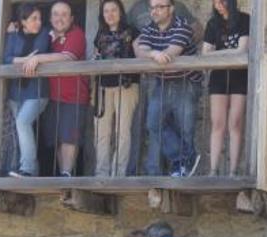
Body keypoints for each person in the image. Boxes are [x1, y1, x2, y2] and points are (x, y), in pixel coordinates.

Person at [135, 0, 203, 177]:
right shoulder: (149, 29)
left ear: (171, 9)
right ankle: (183, 159)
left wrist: (157, 54)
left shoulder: (183, 27)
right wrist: (153, 53)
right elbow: (140, 52)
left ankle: (183, 169)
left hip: (186, 82)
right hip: (163, 82)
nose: (154, 11)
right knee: (153, 123)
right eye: (152, 8)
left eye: (160, 7)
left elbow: (171, 53)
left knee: (185, 128)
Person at [22, 1, 89, 177]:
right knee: (57, 139)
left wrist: (39, 59)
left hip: (73, 96)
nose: (60, 18)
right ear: (50, 18)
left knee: (69, 138)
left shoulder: (77, 34)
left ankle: (66, 174)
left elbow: (67, 58)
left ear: (72, 18)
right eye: (56, 14)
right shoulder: (48, 37)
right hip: (52, 96)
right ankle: (63, 174)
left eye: (64, 14)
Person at [93, 0, 140, 177]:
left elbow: (140, 53)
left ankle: (118, 174)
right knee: (101, 133)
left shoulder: (132, 31)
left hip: (126, 86)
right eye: (106, 11)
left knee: (123, 132)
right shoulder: (100, 33)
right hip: (103, 87)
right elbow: (95, 55)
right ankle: (102, 174)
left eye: (114, 10)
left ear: (121, 12)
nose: (110, 14)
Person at [202, 0, 249, 177]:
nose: (218, 5)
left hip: (239, 75)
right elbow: (204, 53)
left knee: (235, 123)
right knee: (217, 123)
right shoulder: (212, 24)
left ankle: (233, 171)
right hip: (219, 76)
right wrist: (227, 53)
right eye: (215, 2)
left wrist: (216, 54)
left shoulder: (245, 19)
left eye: (221, 1)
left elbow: (242, 50)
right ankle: (213, 170)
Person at [5, 3, 51, 178]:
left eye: (39, 18)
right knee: (21, 129)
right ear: (22, 21)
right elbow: (6, 58)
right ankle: (29, 169)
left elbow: (39, 52)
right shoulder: (13, 37)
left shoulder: (44, 34)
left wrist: (18, 60)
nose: (38, 22)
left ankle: (28, 169)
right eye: (33, 19)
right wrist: (23, 59)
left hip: (37, 91)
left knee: (22, 123)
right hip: (16, 92)